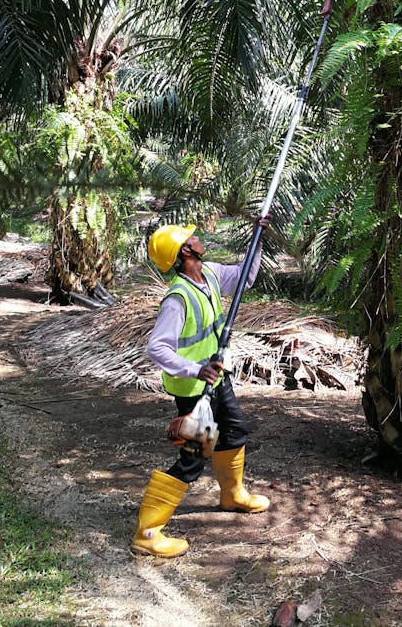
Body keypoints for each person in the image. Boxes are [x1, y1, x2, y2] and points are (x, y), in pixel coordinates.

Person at [132, 222, 270, 558]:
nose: (198, 238)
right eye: (191, 237)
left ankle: (232, 495)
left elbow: (244, 278)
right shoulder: (177, 299)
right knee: (194, 457)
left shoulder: (208, 274)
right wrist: (196, 368)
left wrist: (258, 240)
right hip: (195, 391)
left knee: (234, 433)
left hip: (216, 380)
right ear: (185, 252)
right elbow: (157, 349)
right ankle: (147, 533)